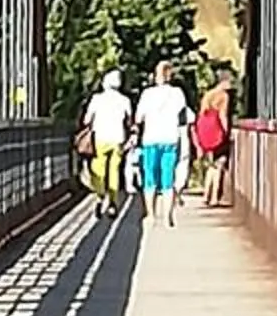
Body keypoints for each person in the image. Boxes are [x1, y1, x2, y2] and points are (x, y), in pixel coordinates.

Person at [131, 61, 192, 223]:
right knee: (168, 177)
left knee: (150, 177)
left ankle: (151, 214)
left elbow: (138, 118)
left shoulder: (147, 94)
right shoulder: (178, 93)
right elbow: (182, 116)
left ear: (155, 75)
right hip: (171, 138)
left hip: (150, 139)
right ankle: (168, 215)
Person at [79, 68, 133, 210]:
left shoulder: (97, 99)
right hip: (118, 139)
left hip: (100, 138)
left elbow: (86, 120)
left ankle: (100, 195)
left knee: (98, 168)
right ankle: (113, 202)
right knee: (114, 170)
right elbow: (129, 121)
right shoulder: (125, 100)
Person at [193, 74, 234, 205]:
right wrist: (226, 131)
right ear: (224, 82)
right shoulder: (224, 96)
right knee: (220, 164)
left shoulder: (208, 94)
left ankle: (206, 194)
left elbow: (201, 114)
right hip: (217, 132)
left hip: (206, 131)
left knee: (211, 166)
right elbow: (223, 115)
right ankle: (214, 197)